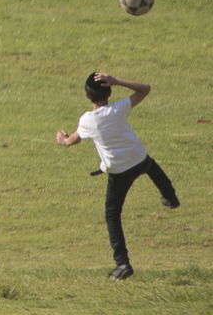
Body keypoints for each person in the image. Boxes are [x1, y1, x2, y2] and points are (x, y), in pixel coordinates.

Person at [55, 72, 180, 281]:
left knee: (112, 215)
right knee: (151, 166)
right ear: (110, 92)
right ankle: (170, 196)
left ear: (87, 96)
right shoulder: (117, 109)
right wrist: (118, 81)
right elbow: (145, 88)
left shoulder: (87, 120)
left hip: (118, 170)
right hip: (138, 159)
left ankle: (122, 263)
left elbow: (74, 139)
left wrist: (63, 140)